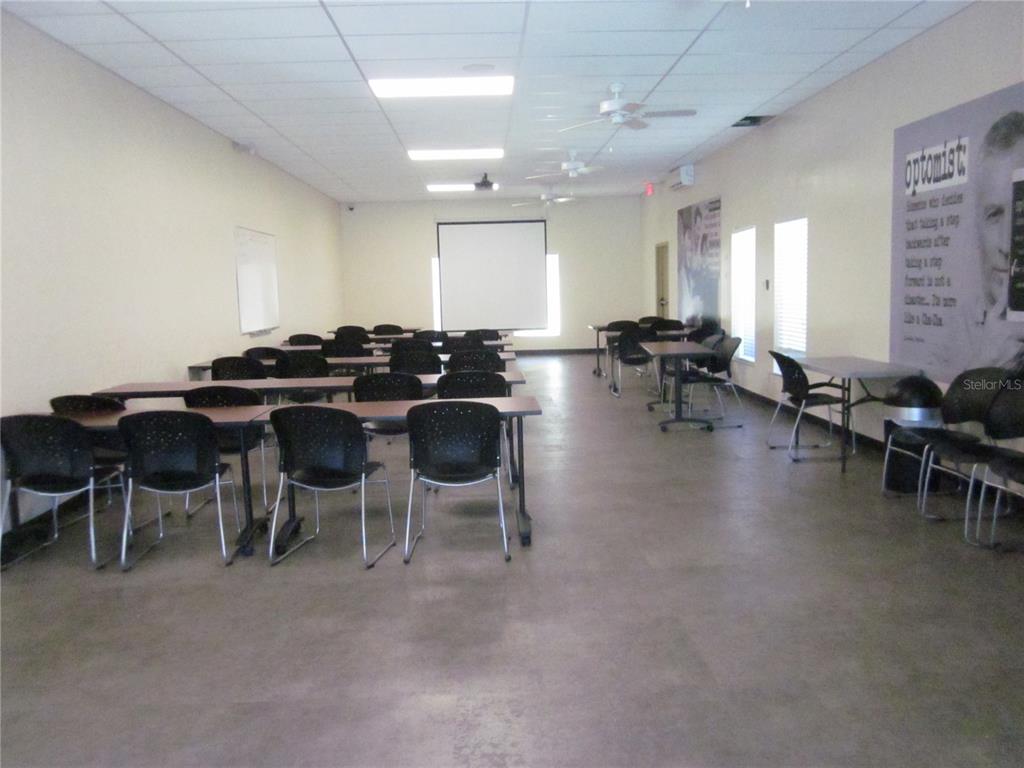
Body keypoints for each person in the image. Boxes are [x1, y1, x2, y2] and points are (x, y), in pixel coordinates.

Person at [966, 110, 1024, 369]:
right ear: (977, 225)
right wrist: (987, 363)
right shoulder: (956, 335)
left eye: (1020, 215)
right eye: (994, 215)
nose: (1005, 245)